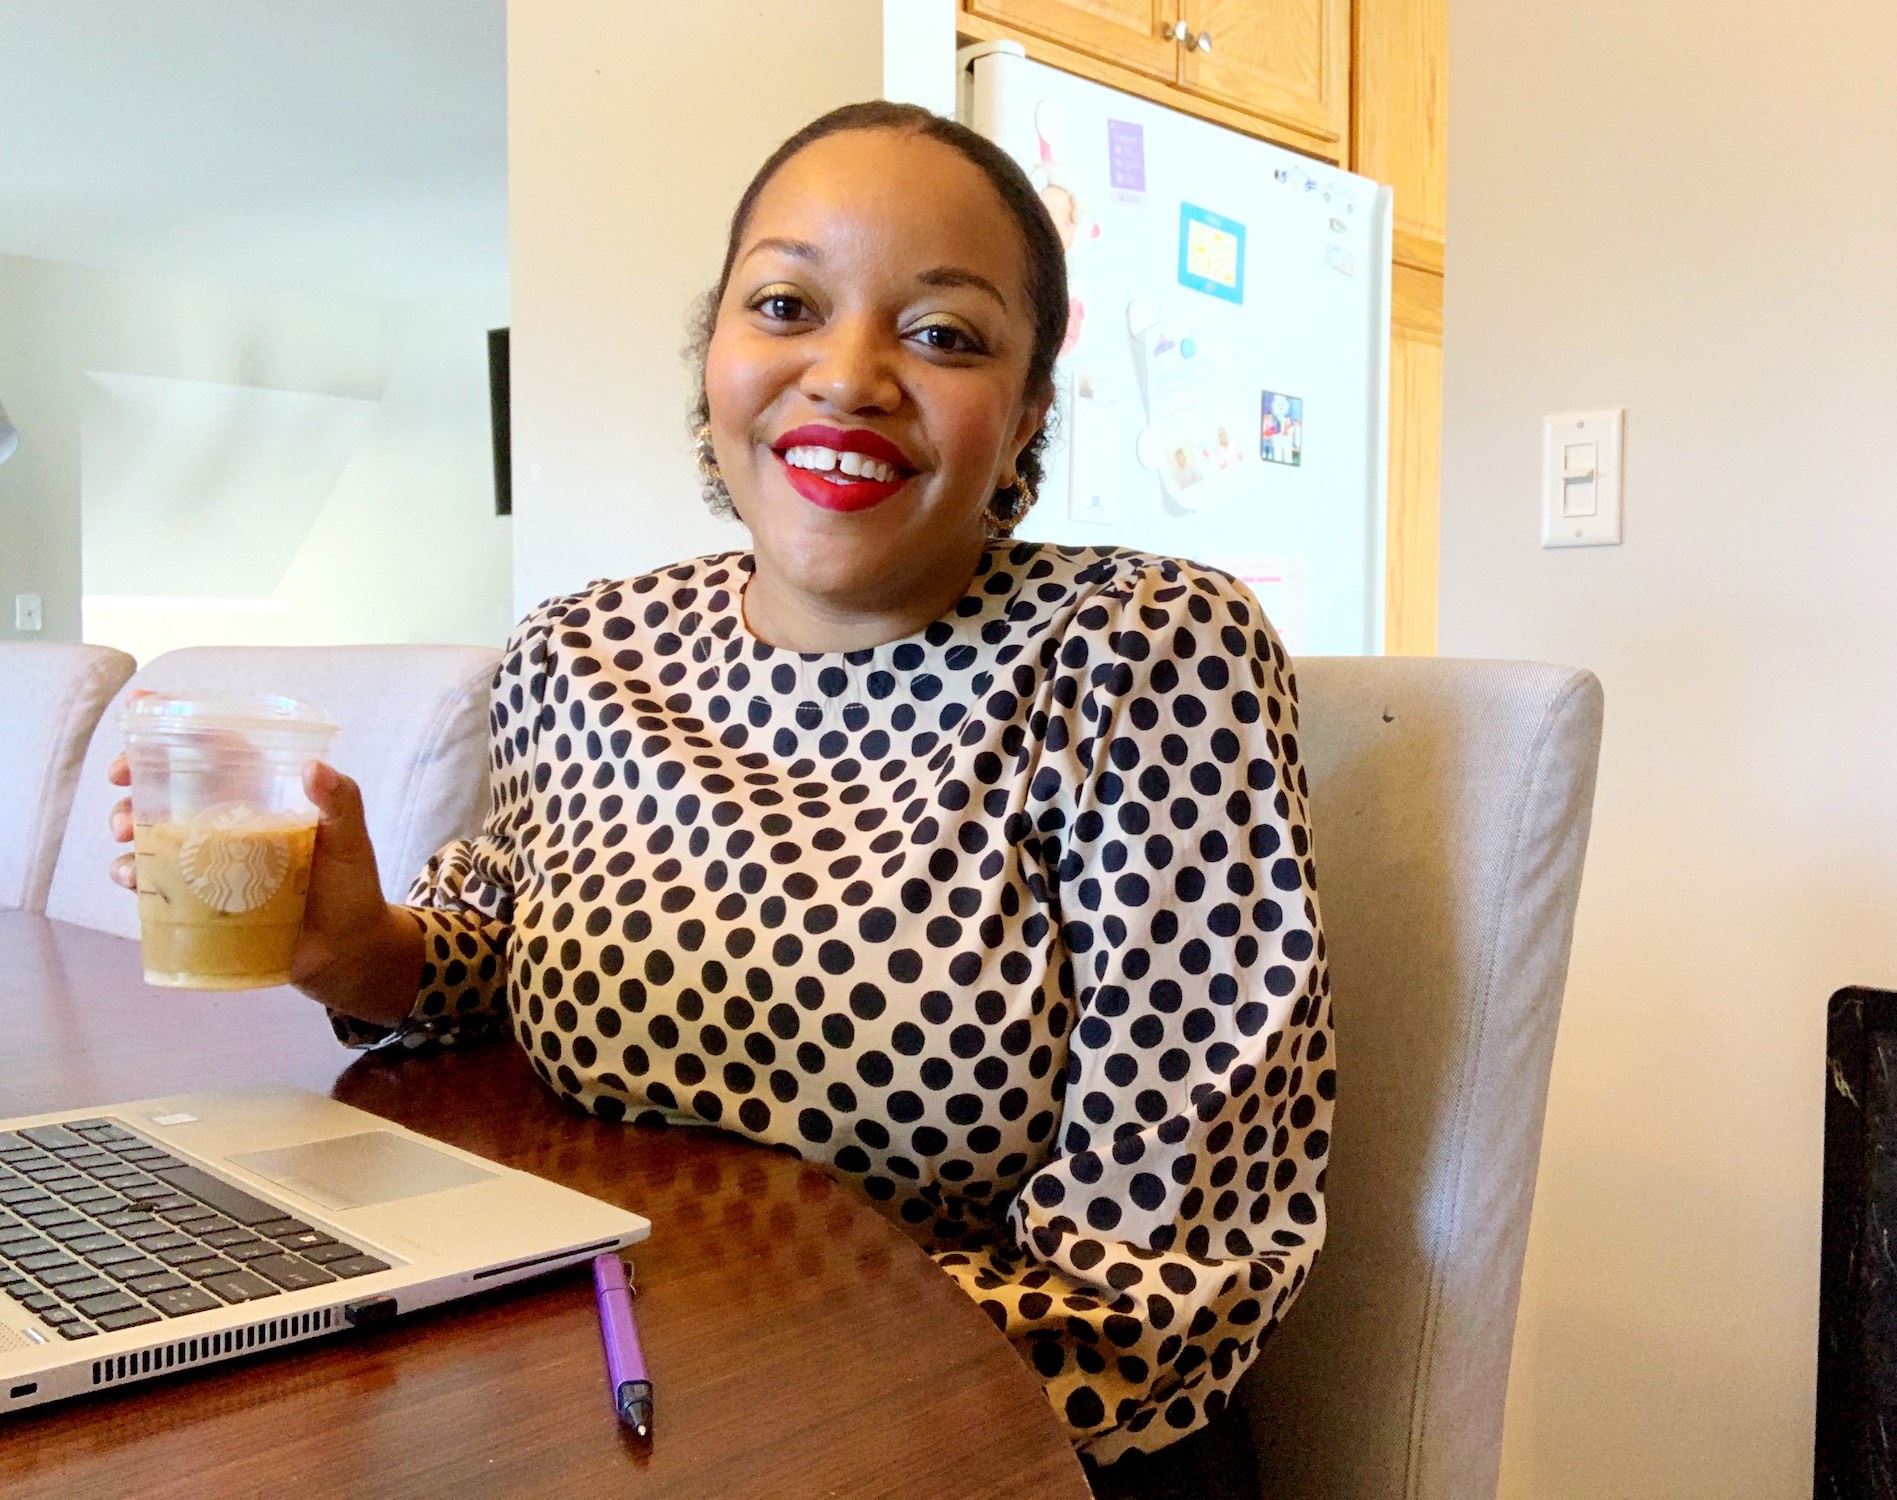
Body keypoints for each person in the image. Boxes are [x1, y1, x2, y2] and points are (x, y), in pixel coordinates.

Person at [108, 101, 1333, 1497]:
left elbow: (1172, 1271)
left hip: (1000, 1437)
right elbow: (489, 945)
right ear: (716, 354)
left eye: (941, 334)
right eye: (786, 304)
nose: (850, 374)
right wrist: (359, 946)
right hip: (616, 1380)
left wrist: (752, 1413)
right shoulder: (585, 650)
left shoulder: (1143, 653)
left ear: (1032, 407)